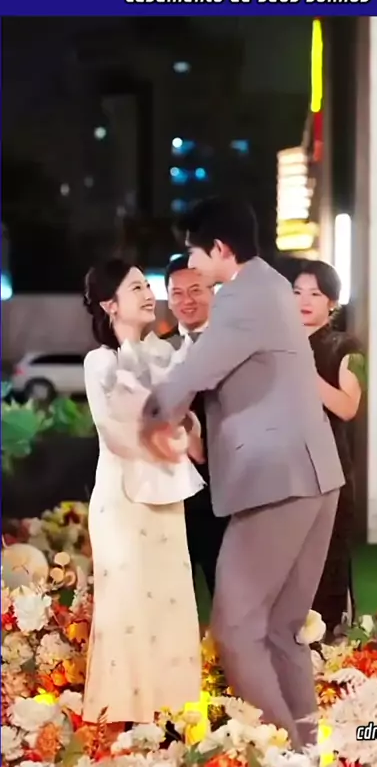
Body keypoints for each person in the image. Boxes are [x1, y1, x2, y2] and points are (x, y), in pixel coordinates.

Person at [141, 198, 345, 750]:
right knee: (281, 630)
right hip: (315, 475)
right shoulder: (274, 285)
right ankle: (309, 750)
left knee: (234, 629)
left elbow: (199, 369)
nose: (190, 262)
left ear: (219, 249)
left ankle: (283, 752)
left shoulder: (241, 297)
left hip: (276, 479)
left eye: (194, 251)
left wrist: (154, 413)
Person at [82, 258, 202, 725]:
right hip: (122, 500)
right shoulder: (102, 361)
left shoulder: (164, 354)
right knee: (127, 607)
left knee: (171, 603)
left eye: (147, 286)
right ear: (110, 304)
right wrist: (168, 421)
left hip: (166, 495)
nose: (149, 295)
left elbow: (185, 421)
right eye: (135, 288)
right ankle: (121, 720)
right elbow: (116, 430)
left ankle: (172, 717)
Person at [293, 261, 365, 639]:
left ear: (332, 302)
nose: (304, 301)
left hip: (330, 469)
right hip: (283, 473)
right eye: (297, 292)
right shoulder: (275, 347)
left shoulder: (348, 347)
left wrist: (305, 374)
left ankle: (332, 651)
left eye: (315, 293)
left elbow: (348, 407)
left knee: (329, 564)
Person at [162, 254, 228, 601]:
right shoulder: (159, 350)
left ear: (213, 292)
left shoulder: (235, 345)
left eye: (196, 290)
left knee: (230, 591)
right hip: (173, 489)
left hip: (227, 486)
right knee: (175, 596)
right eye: (177, 293)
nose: (186, 300)